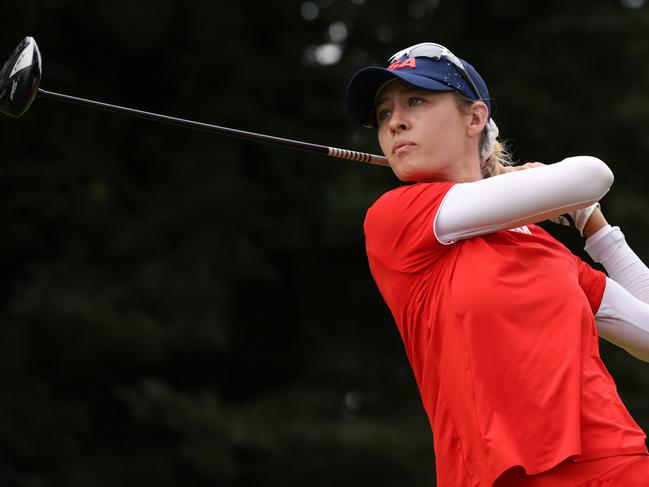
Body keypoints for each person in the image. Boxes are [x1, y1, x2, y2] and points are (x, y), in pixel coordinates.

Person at [345, 42, 649, 486]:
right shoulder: (398, 218)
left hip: (616, 466)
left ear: (475, 118)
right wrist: (553, 188)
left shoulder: (540, 245)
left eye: (415, 100)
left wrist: (594, 226)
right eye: (384, 112)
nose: (396, 122)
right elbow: (590, 176)